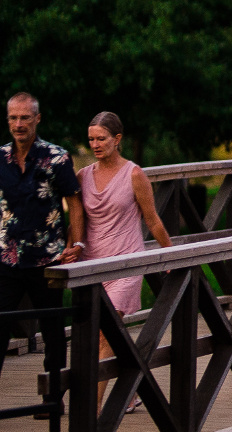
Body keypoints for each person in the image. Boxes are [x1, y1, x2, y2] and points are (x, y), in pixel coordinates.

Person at [0, 93, 85, 421]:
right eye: (13, 118)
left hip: (47, 259)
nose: (18, 124)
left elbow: (75, 200)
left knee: (53, 331)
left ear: (37, 119)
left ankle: (52, 398)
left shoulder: (57, 157)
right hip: (5, 258)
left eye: (25, 118)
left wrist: (77, 243)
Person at [78, 112, 173, 408]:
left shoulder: (134, 174)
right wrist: (71, 248)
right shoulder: (82, 176)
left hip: (126, 263)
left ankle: (90, 414)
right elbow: (76, 222)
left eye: (101, 139)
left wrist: (169, 255)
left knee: (105, 334)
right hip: (92, 265)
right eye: (91, 138)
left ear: (117, 140)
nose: (95, 144)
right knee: (105, 334)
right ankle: (133, 388)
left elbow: (153, 220)